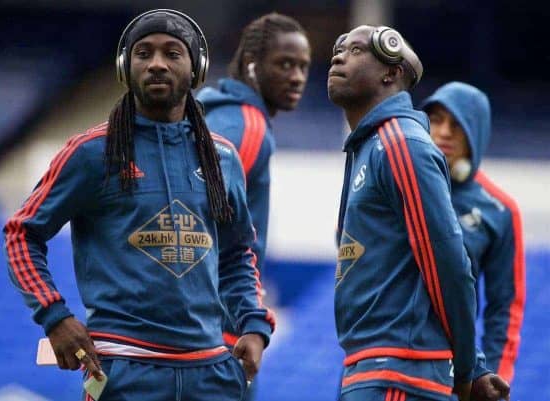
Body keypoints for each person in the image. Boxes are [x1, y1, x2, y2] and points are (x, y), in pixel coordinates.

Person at [3, 9, 274, 401]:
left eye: (172, 53)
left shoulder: (223, 159)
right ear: (124, 67)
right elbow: (21, 233)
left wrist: (251, 322)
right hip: (125, 370)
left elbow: (236, 254)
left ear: (196, 67)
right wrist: (55, 316)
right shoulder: (91, 153)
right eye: (143, 53)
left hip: (211, 372)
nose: (157, 64)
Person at [327, 25, 508, 401]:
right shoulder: (369, 147)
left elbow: (447, 264)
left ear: (390, 73)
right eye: (338, 49)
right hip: (371, 369)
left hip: (399, 374)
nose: (339, 56)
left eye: (356, 50)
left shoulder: (400, 143)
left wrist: (469, 367)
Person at [197, 11, 310, 355]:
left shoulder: (218, 114)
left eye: (303, 67)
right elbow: (195, 218)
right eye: (285, 64)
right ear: (250, 64)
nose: (297, 78)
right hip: (217, 333)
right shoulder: (246, 126)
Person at [422, 82, 526, 385]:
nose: (443, 132)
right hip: (381, 364)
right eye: (436, 120)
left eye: (457, 124)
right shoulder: (394, 183)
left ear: (476, 133)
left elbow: (505, 308)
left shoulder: (500, 211)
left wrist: (493, 378)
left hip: (447, 373)